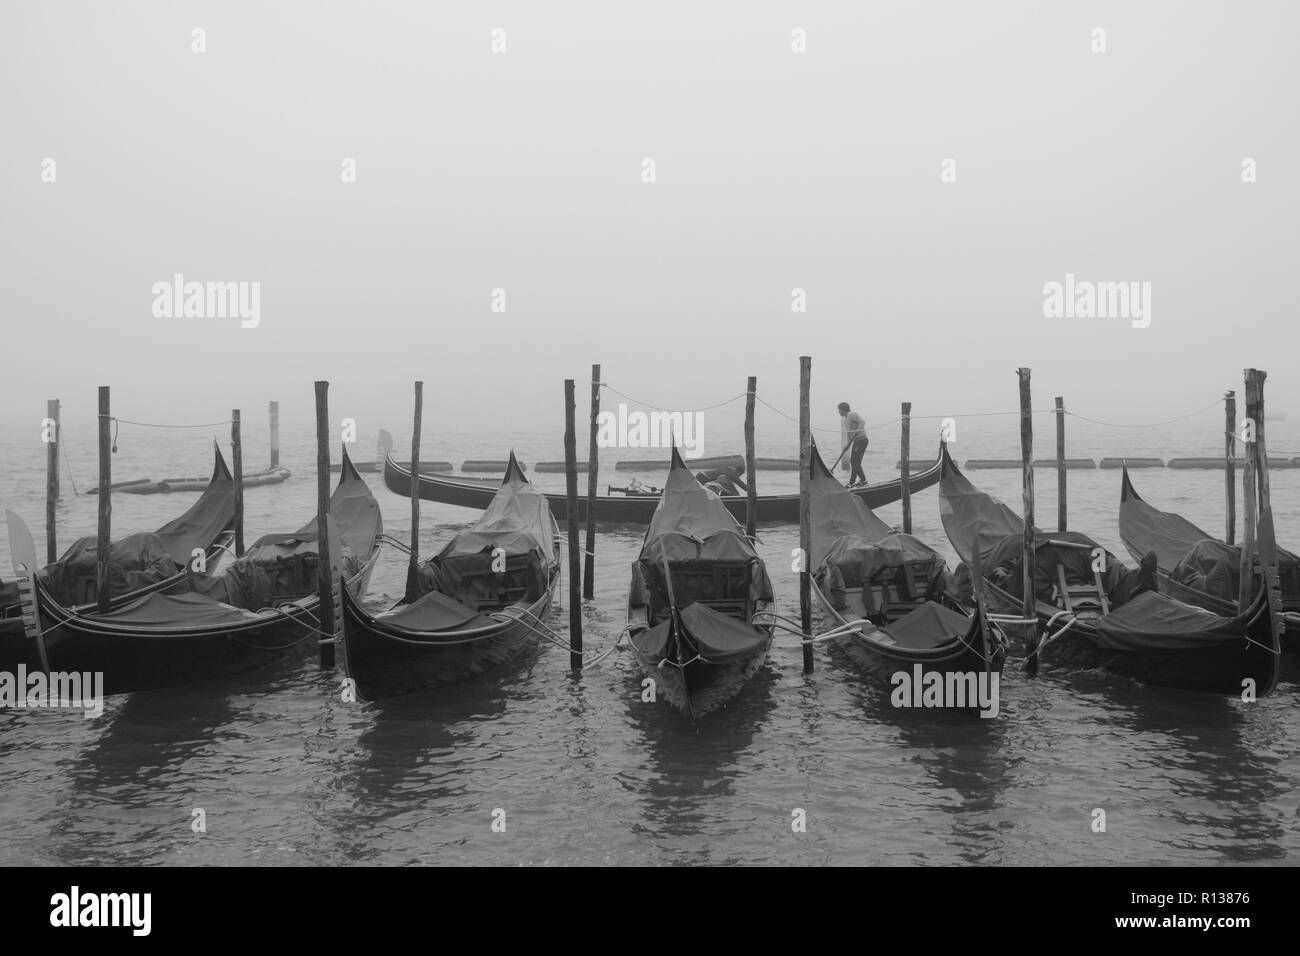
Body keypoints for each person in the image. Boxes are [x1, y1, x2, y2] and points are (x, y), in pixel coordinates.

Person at [838, 402, 869, 487]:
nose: (838, 412)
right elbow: (849, 435)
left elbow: (862, 422)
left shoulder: (852, 414)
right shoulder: (845, 420)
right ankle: (863, 480)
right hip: (856, 441)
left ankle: (851, 482)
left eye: (839, 410)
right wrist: (847, 446)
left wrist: (856, 432)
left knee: (856, 462)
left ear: (842, 410)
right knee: (853, 461)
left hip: (862, 440)